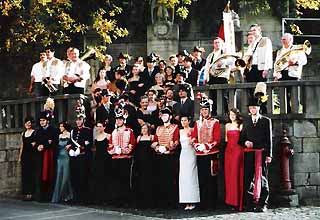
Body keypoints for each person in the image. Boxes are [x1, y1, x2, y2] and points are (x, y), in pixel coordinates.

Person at [238, 97, 272, 212]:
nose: (253, 109)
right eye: (251, 108)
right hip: (249, 154)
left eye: (255, 107)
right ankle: (249, 203)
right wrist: (245, 142)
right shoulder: (246, 121)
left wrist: (269, 155)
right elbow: (241, 139)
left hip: (261, 153)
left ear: (259, 108)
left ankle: (263, 203)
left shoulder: (266, 121)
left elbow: (269, 139)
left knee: (262, 178)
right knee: (248, 177)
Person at [191, 97, 221, 210]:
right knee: (202, 178)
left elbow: (217, 139)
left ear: (210, 110)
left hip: (211, 153)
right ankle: (203, 202)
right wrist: (196, 145)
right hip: (199, 154)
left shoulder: (215, 122)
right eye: (202, 109)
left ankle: (212, 203)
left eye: (206, 110)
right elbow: (194, 137)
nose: (204, 112)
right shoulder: (197, 123)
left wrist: (207, 146)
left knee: (211, 179)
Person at [151, 107, 180, 208]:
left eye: (166, 115)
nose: (164, 117)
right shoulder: (158, 128)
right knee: (160, 178)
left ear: (170, 116)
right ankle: (162, 201)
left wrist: (167, 148)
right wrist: (158, 147)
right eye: (162, 115)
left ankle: (171, 201)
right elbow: (154, 142)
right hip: (160, 156)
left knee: (171, 179)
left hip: (170, 156)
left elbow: (176, 141)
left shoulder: (175, 127)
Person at [107, 108, 136, 206]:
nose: (118, 121)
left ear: (124, 120)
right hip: (115, 158)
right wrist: (114, 150)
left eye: (120, 119)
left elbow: (132, 143)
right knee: (116, 179)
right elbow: (110, 145)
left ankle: (126, 200)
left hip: (125, 159)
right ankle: (117, 199)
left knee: (125, 179)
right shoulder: (113, 132)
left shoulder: (129, 131)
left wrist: (124, 151)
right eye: (117, 119)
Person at [273, 33, 308, 112]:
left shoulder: (297, 49)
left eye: (285, 39)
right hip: (282, 75)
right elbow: (276, 64)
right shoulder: (280, 51)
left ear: (291, 40)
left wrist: (296, 62)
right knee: (283, 95)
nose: (283, 41)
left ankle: (296, 113)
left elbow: (304, 61)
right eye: (282, 39)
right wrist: (276, 74)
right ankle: (285, 112)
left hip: (293, 74)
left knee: (294, 95)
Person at [203, 37, 234, 115]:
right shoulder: (210, 55)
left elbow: (232, 61)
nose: (217, 44)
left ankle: (226, 113)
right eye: (215, 43)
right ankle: (214, 113)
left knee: (224, 96)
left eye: (218, 42)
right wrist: (205, 78)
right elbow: (207, 67)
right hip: (213, 77)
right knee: (213, 97)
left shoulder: (226, 53)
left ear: (222, 43)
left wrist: (223, 62)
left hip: (222, 77)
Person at [34, 111, 59, 202]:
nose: (42, 122)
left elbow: (53, 142)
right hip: (40, 156)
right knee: (40, 175)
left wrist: (44, 145)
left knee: (49, 174)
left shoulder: (53, 130)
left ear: (48, 121)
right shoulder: (38, 131)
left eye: (43, 120)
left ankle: (48, 196)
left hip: (49, 155)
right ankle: (40, 196)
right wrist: (38, 146)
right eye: (40, 121)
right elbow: (37, 141)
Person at [69, 114, 93, 203]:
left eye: (80, 119)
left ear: (83, 120)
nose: (78, 121)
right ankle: (76, 197)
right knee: (74, 176)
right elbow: (70, 142)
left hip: (83, 157)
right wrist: (70, 148)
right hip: (74, 157)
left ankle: (84, 198)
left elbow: (88, 143)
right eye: (77, 120)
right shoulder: (73, 131)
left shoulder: (87, 130)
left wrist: (81, 148)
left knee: (83, 177)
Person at [179, 116, 200, 210]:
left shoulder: (192, 130)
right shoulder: (179, 131)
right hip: (183, 154)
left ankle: (193, 200)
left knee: (191, 176)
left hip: (191, 154)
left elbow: (196, 139)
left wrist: (193, 140)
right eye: (182, 120)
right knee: (183, 177)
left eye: (185, 120)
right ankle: (185, 201)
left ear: (189, 121)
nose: (183, 122)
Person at [224, 108, 244, 211]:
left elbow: (242, 139)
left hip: (238, 150)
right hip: (229, 151)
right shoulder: (227, 126)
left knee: (236, 174)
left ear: (237, 115)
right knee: (229, 175)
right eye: (230, 114)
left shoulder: (240, 125)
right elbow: (226, 140)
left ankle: (238, 201)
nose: (232, 116)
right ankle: (230, 201)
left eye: (233, 114)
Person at [134, 123, 155, 208]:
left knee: (148, 180)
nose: (144, 130)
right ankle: (141, 201)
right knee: (140, 180)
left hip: (149, 161)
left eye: (145, 128)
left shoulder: (152, 137)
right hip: (140, 162)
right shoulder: (139, 138)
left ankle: (149, 201)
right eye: (142, 128)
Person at [51, 121, 73, 203]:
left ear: (65, 127)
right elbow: (56, 146)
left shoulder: (70, 134)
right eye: (60, 126)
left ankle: (68, 196)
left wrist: (70, 145)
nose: (60, 128)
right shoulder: (59, 135)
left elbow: (73, 144)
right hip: (59, 157)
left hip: (66, 157)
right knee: (59, 176)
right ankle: (60, 196)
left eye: (61, 126)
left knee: (66, 176)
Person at [92, 121, 112, 204]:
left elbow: (111, 146)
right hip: (98, 159)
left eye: (100, 126)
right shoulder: (96, 137)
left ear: (104, 127)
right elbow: (95, 149)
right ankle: (99, 198)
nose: (99, 128)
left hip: (106, 159)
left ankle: (106, 198)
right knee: (98, 177)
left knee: (105, 177)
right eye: (97, 126)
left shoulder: (108, 136)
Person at [18, 117, 36, 201]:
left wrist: (34, 144)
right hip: (25, 156)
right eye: (26, 123)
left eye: (29, 123)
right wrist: (20, 157)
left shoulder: (34, 132)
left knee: (31, 174)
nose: (28, 124)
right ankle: (25, 193)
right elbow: (22, 146)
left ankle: (31, 194)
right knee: (24, 174)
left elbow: (35, 143)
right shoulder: (23, 133)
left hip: (32, 156)